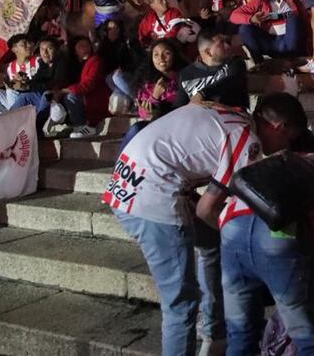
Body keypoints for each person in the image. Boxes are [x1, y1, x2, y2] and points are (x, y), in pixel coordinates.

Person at [194, 93, 314, 356]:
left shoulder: (280, 161)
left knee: (240, 334)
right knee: (309, 339)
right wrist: (310, 273)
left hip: (231, 226)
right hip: (276, 236)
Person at [102, 83, 252, 356]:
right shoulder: (244, 133)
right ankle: (206, 335)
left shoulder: (203, 111)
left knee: (211, 242)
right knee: (180, 303)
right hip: (153, 200)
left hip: (125, 186)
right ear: (280, 127)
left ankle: (214, 334)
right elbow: (208, 209)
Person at [118, 38, 186, 150]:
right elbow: (144, 113)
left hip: (179, 125)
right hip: (156, 124)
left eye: (166, 53)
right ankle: (121, 164)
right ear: (151, 58)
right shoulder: (145, 81)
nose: (161, 59)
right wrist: (155, 96)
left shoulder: (185, 76)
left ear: (174, 55)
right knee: (136, 128)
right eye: (156, 55)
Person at [228, 0, 306, 66]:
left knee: (293, 18)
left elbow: (304, 16)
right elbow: (233, 16)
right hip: (270, 42)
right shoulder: (259, 2)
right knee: (244, 28)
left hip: (288, 42)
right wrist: (251, 19)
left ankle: (290, 61)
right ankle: (259, 64)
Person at [175, 28, 248, 111]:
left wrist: (202, 93)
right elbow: (179, 107)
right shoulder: (186, 74)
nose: (227, 46)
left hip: (233, 117)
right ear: (208, 52)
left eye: (226, 42)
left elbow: (233, 79)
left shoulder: (234, 62)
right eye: (221, 44)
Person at [54, 36, 110, 138]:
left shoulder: (95, 61)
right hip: (83, 98)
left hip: (93, 98)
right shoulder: (73, 64)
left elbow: (89, 84)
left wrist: (66, 90)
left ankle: (83, 127)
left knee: (71, 96)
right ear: (75, 50)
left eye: (87, 45)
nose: (86, 48)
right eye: (81, 46)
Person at [97, 18, 144, 114]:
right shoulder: (103, 46)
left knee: (116, 77)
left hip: (129, 75)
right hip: (114, 80)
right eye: (110, 29)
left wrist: (122, 68)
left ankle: (138, 100)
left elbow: (136, 62)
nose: (113, 31)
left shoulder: (128, 43)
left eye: (116, 28)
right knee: (116, 99)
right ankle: (130, 102)